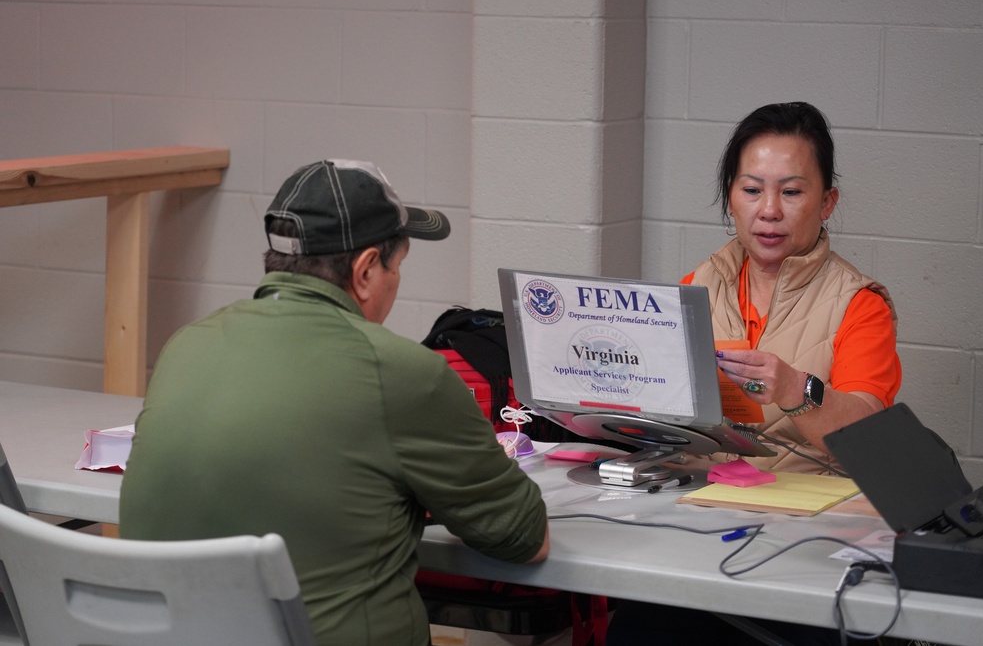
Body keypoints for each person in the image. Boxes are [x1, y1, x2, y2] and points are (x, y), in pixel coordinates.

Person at [119, 159, 550, 646]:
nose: (396, 282)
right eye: (398, 266)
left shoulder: (186, 345)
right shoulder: (401, 372)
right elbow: (526, 538)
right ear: (366, 270)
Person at [606, 102, 901, 645]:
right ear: (730, 198)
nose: (769, 210)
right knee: (634, 626)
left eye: (791, 191)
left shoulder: (860, 304)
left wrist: (796, 390)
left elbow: (869, 438)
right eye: (751, 190)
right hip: (698, 524)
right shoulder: (694, 286)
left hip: (806, 542)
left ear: (827, 201)